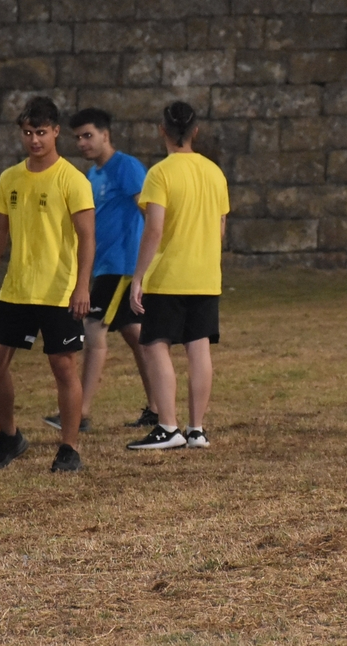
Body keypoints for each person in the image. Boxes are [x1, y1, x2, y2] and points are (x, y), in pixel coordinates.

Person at [0, 96, 95, 472]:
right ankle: (10, 436)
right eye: (27, 133)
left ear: (56, 132)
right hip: (17, 288)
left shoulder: (72, 180)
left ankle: (69, 448)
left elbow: (87, 237)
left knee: (63, 366)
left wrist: (82, 286)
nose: (34, 140)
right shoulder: (10, 178)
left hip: (58, 290)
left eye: (41, 132)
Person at [40, 108, 158, 434]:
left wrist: (149, 260)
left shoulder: (127, 167)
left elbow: (149, 211)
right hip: (104, 265)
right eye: (78, 137)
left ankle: (80, 412)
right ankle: (157, 409)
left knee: (93, 328)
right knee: (136, 336)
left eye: (88, 135)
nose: (82, 142)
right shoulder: (93, 175)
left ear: (106, 135)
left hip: (122, 266)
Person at [126, 101, 230, 450]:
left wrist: (138, 276)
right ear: (195, 131)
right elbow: (220, 229)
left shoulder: (160, 173)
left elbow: (154, 229)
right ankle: (196, 429)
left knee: (155, 345)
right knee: (199, 348)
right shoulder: (214, 173)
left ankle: (168, 427)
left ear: (163, 130)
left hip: (169, 274)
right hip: (205, 275)